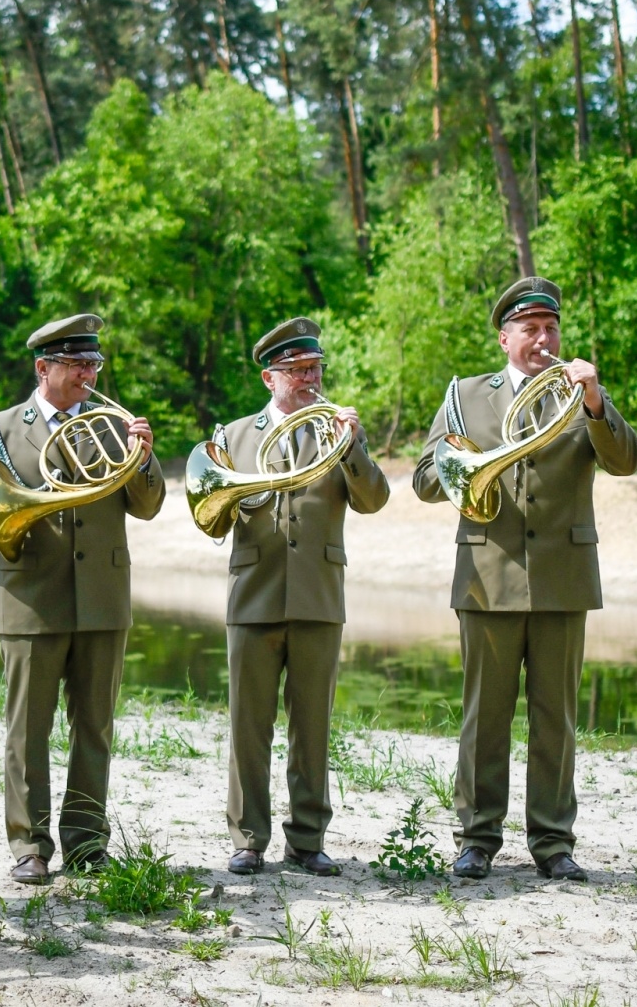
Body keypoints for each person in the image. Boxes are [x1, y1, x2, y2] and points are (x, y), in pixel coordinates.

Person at [412, 276, 637, 882]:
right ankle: (477, 839)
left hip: (563, 578)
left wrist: (595, 402)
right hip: (487, 577)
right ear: (504, 338)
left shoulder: (580, 392)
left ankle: (552, 842)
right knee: (483, 718)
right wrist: (468, 471)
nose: (543, 339)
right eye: (530, 330)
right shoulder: (465, 397)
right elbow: (423, 479)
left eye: (551, 328)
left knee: (555, 719)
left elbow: (628, 460)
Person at [0, 314, 164, 885]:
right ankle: (29, 846)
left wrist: (144, 459)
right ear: (43, 368)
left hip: (102, 598)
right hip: (31, 600)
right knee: (28, 729)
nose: (89, 375)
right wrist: (28, 508)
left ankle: (88, 844)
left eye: (94, 364)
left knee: (94, 728)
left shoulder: (115, 427)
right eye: (76, 365)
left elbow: (147, 506)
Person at [212, 317, 390, 876]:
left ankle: (307, 839)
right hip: (254, 592)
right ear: (271, 378)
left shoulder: (338, 431)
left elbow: (375, 500)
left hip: (318, 592)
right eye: (298, 371)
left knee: (312, 726)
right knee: (249, 725)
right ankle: (248, 839)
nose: (311, 379)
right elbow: (211, 517)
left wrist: (355, 446)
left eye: (315, 369)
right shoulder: (233, 435)